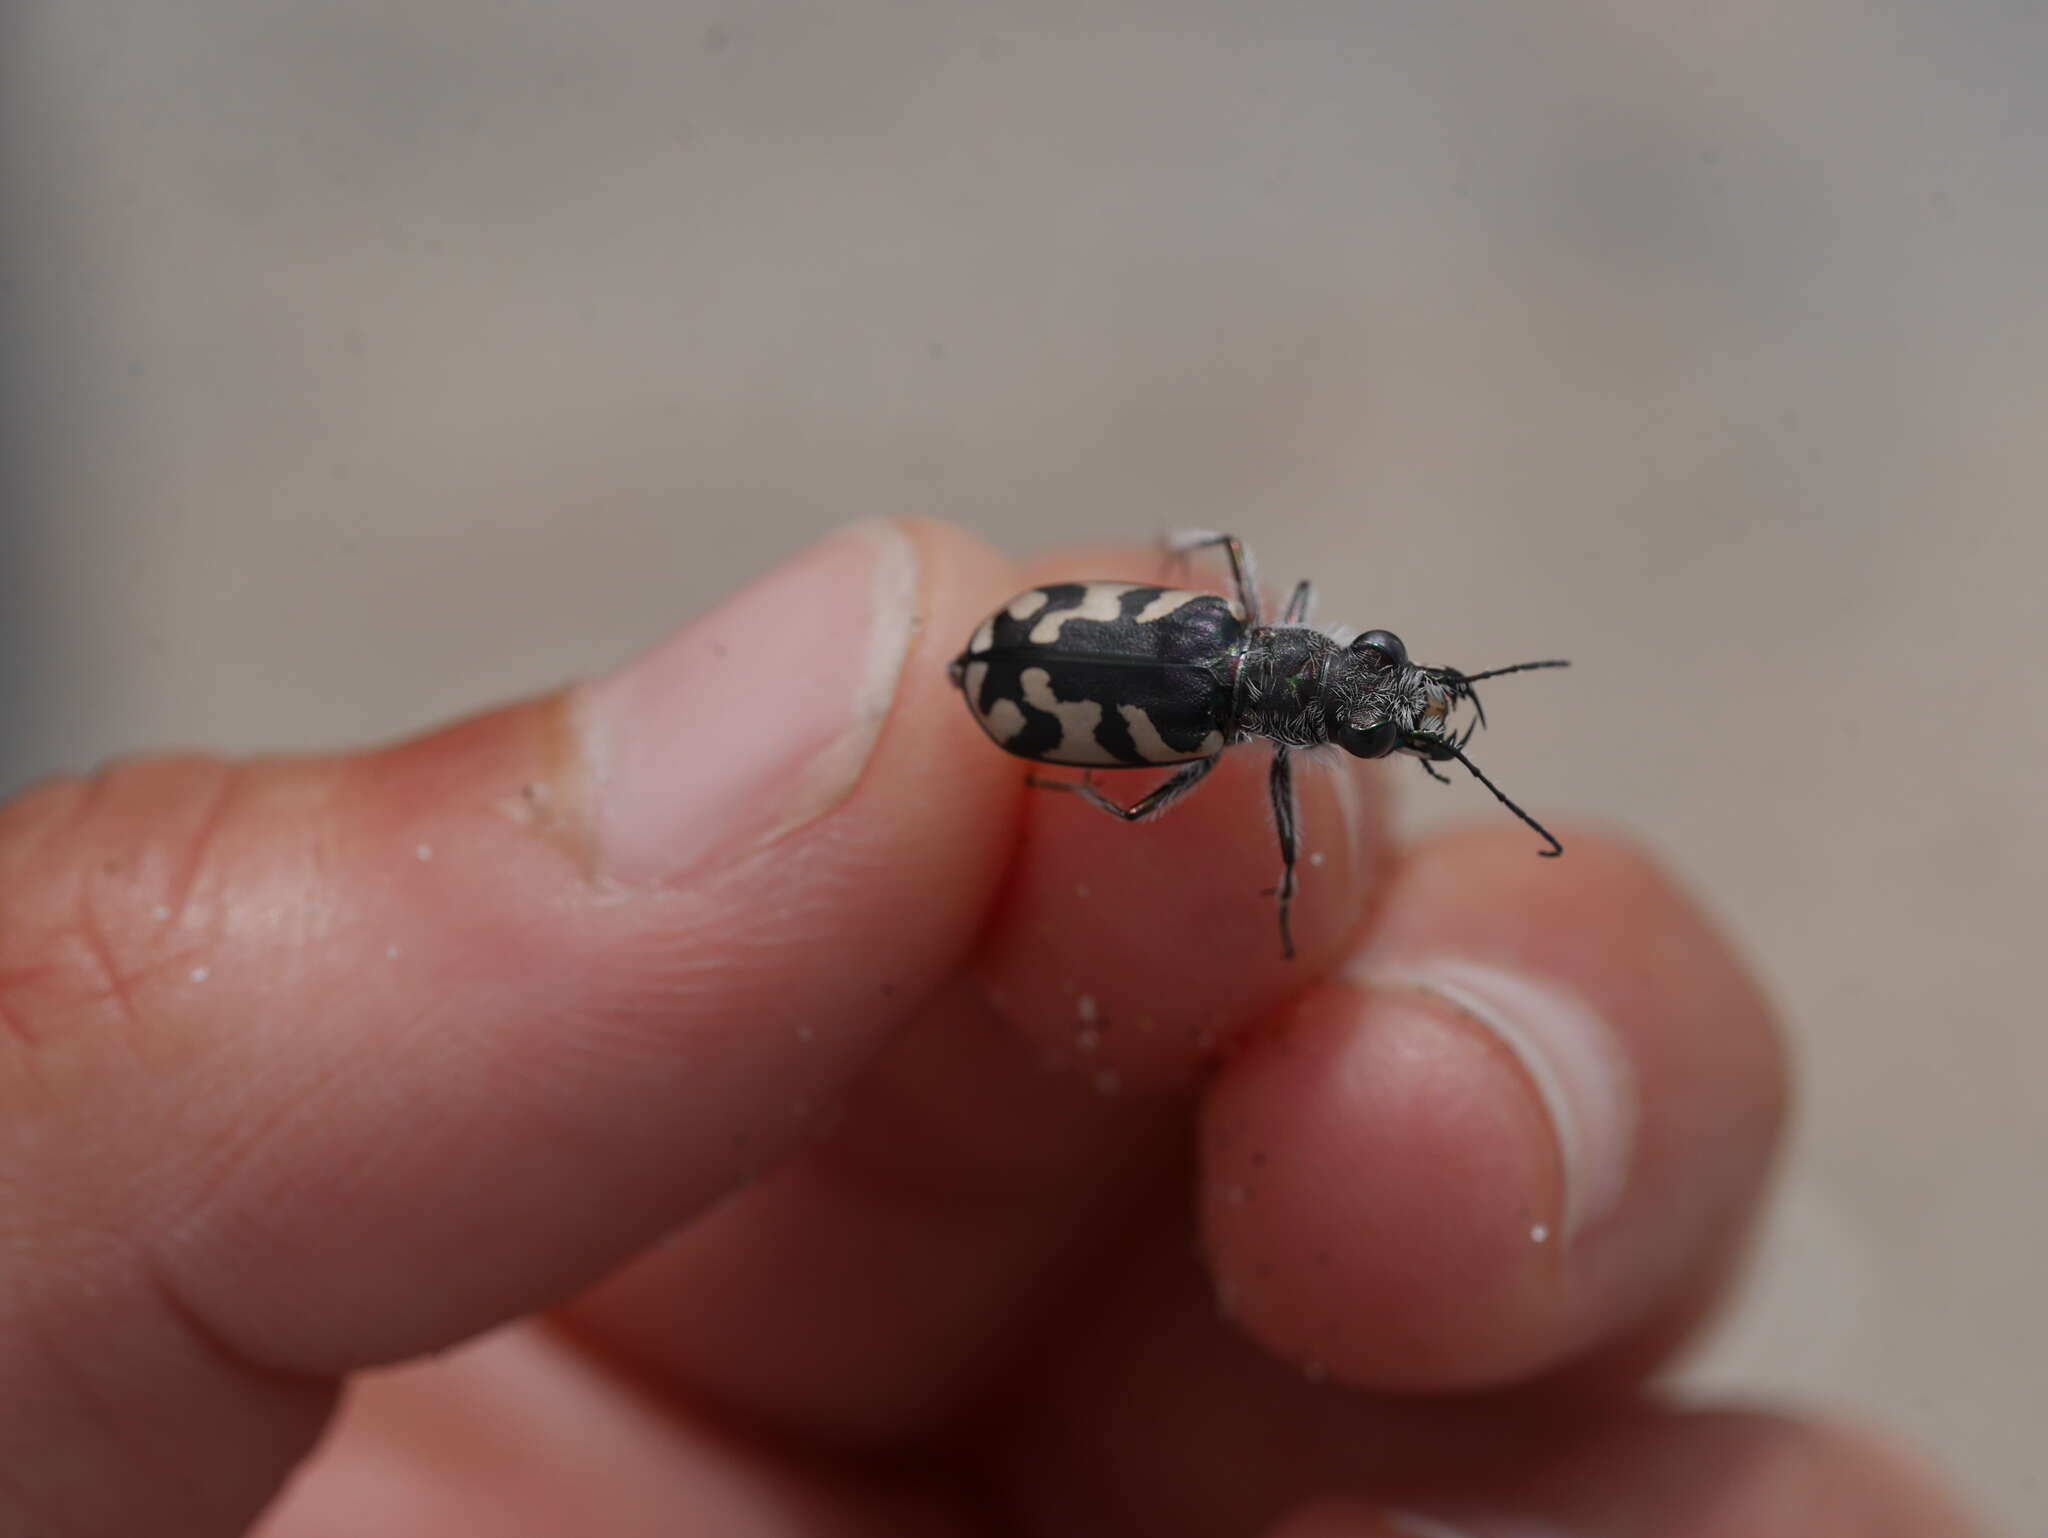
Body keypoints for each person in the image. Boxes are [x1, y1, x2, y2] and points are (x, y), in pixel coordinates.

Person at [0, 522, 1985, 1536]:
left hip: (1112, 696)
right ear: (1324, 693)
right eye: (1375, 699)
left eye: (1381, 703)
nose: (1383, 705)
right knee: (1223, 845)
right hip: (1088, 699)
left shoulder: (1241, 686)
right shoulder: (1237, 704)